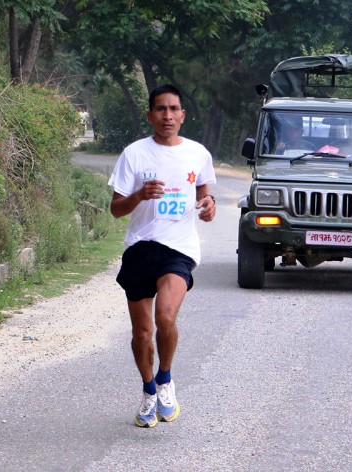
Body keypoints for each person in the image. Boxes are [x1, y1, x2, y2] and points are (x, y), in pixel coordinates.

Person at [108, 84, 217, 428]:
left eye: (173, 109)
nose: (167, 115)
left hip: (179, 248)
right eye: (160, 109)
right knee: (142, 334)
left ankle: (166, 379)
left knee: (165, 318)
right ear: (149, 115)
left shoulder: (198, 153)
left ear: (182, 115)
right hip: (141, 247)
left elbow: (204, 194)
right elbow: (115, 209)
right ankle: (148, 390)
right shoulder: (135, 154)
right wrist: (140, 195)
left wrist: (209, 206)